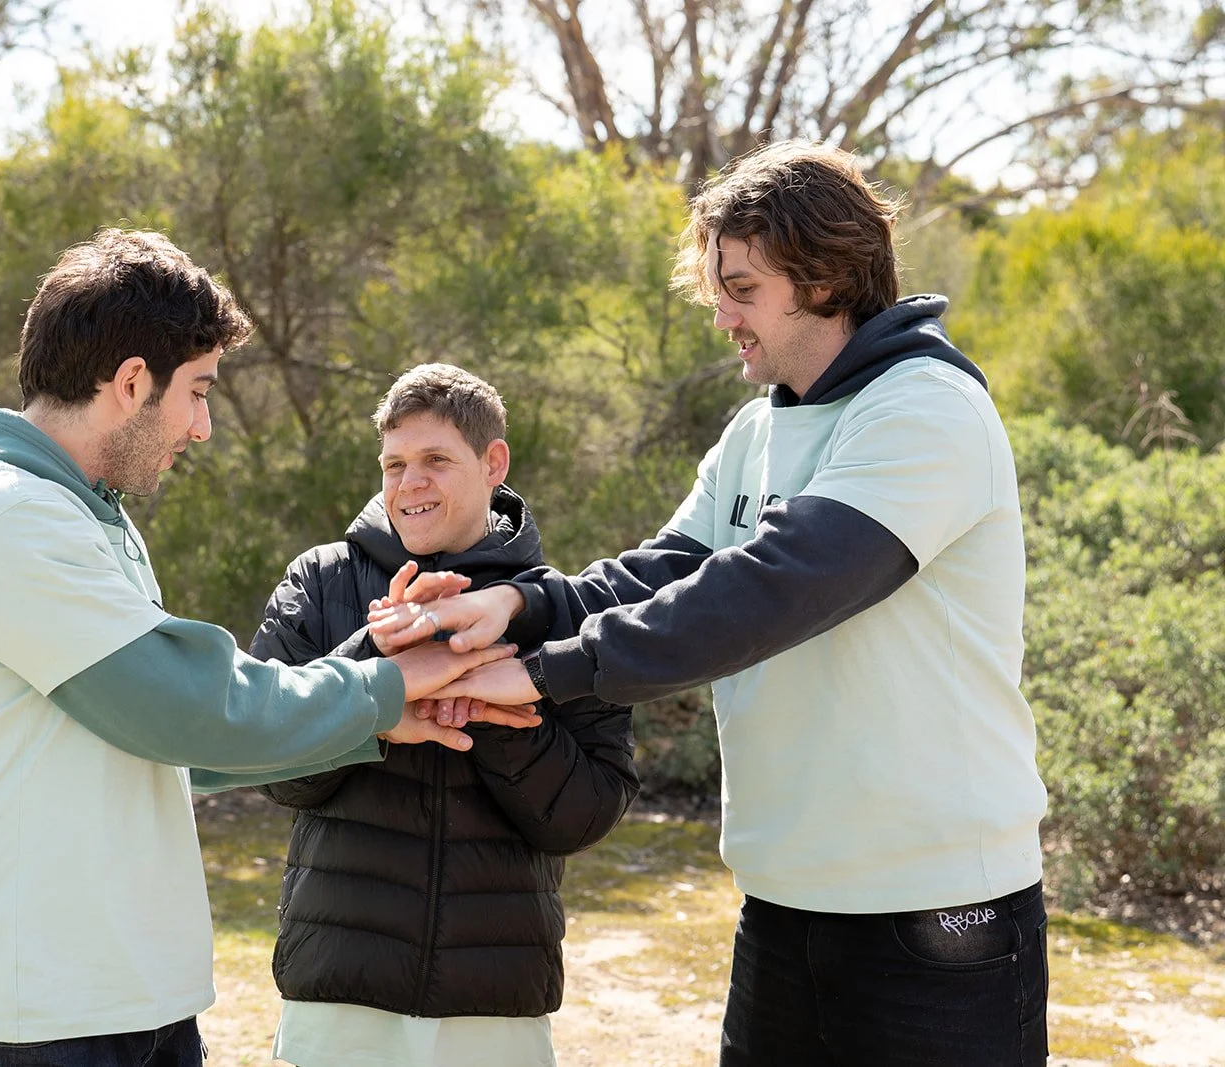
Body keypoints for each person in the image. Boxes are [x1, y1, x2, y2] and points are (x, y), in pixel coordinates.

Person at [371, 143, 1052, 1066]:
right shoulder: (757, 427)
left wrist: (538, 673)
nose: (722, 315)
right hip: (782, 906)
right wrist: (519, 606)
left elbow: (764, 592)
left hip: (936, 920)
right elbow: (663, 574)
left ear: (825, 274)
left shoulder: (925, 409)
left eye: (741, 287)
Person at [0, 229, 531, 1067]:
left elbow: (156, 740)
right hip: (29, 1009)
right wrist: (384, 687)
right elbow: (186, 709)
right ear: (133, 381)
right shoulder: (5, 515)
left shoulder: (79, 512)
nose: (204, 426)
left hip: (106, 994)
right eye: (199, 392)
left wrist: (375, 693)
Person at [248, 364, 640, 1067]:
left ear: (494, 463)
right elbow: (272, 764)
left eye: (435, 460)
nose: (409, 483)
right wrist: (375, 667)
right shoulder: (318, 581)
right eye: (394, 464)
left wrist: (491, 704)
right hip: (340, 993)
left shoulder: (567, 611)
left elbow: (586, 814)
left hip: (493, 1004)